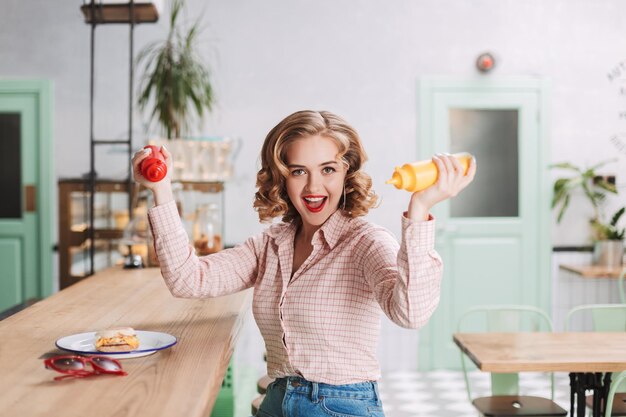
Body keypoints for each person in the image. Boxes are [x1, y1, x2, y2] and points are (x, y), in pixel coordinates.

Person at [132, 110, 476, 417]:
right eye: (299, 171)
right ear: (282, 177)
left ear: (347, 172)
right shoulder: (270, 244)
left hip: (340, 406)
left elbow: (411, 313)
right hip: (277, 398)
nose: (313, 186)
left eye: (328, 169)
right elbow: (187, 279)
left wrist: (420, 209)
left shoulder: (365, 242)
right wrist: (160, 188)